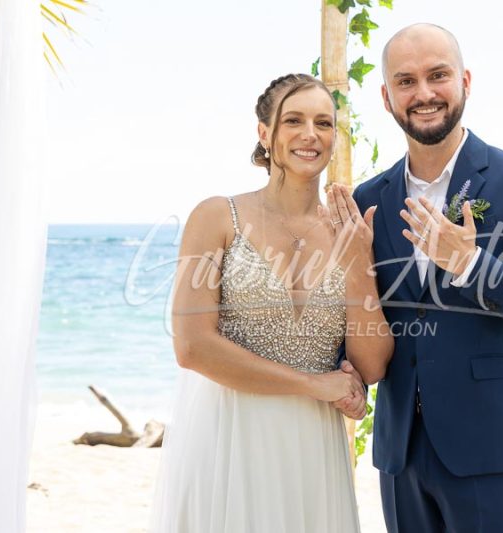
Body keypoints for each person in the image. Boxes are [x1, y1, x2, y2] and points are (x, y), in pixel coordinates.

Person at [349, 24, 503, 532]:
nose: (424, 93)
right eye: (406, 81)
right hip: (400, 450)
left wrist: (473, 266)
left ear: (465, 82)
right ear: (387, 96)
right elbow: (364, 309)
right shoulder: (369, 198)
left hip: (492, 445)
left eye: (438, 76)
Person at [148, 73, 394, 532]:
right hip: (228, 437)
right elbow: (192, 347)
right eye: (293, 120)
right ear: (265, 134)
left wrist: (360, 262)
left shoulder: (349, 228)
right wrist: (314, 385)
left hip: (312, 445)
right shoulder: (217, 216)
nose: (309, 134)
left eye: (323, 123)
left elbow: (372, 365)